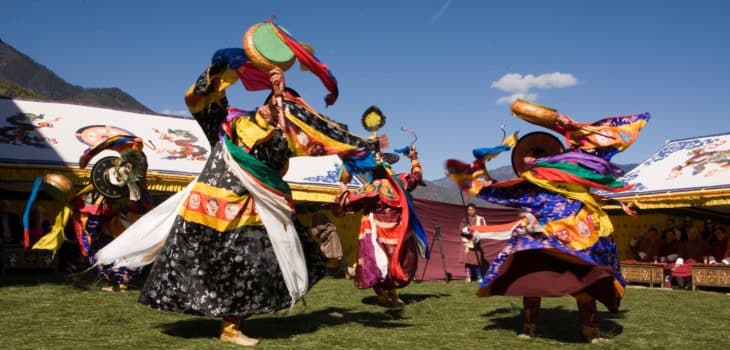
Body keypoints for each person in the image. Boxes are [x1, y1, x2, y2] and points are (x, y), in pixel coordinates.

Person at [94, 22, 367, 346]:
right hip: (216, 206)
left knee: (267, 262)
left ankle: (235, 322)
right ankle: (230, 327)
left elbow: (316, 135)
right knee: (230, 264)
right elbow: (200, 99)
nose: (272, 107)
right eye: (271, 103)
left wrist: (363, 146)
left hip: (257, 208)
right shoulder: (230, 123)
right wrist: (231, 65)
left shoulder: (282, 134)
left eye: (279, 106)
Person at [446, 101, 649, 342]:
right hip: (543, 236)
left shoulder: (574, 174)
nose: (532, 160)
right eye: (529, 157)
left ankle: (590, 329)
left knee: (585, 280)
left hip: (576, 235)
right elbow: (496, 191)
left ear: (552, 157)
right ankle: (529, 327)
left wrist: (562, 123)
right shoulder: (527, 186)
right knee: (532, 281)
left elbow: (592, 147)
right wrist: (480, 168)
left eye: (537, 156)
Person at [336, 146, 428, 308]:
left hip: (381, 233)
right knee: (390, 263)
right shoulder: (401, 183)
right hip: (394, 234)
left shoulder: (371, 188)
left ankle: (384, 294)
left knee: (378, 264)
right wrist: (414, 158)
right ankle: (390, 295)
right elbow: (416, 176)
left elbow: (346, 203)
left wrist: (343, 183)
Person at [459, 203, 487, 282]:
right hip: (466, 242)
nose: (470, 211)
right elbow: (461, 229)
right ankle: (468, 277)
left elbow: (483, 229)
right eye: (468, 210)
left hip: (476, 242)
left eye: (471, 209)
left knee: (476, 261)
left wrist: (473, 230)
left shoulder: (480, 219)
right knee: (467, 260)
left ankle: (479, 277)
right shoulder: (465, 219)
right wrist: (467, 229)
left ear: (475, 210)